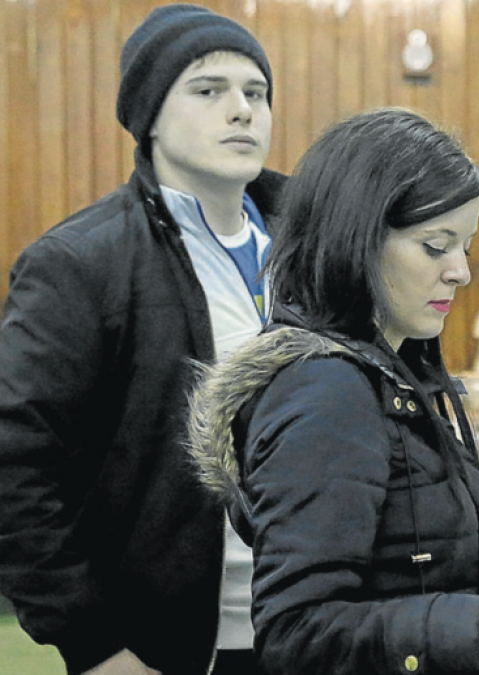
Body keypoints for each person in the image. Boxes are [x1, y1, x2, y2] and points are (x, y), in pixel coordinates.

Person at [187, 108, 479, 675]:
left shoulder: (390, 365)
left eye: (466, 246)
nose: (461, 272)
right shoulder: (327, 393)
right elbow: (296, 634)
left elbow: (400, 553)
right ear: (356, 243)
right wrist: (472, 635)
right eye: (436, 246)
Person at [0, 5, 283, 674]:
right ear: (150, 115)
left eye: (256, 92)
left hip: (314, 629)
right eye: (209, 90)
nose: (241, 110)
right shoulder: (79, 264)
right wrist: (93, 643)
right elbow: (14, 467)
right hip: (165, 646)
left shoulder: (316, 245)